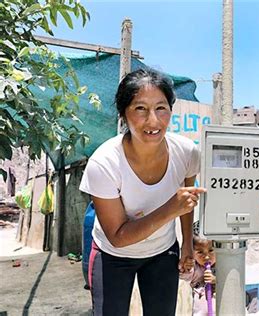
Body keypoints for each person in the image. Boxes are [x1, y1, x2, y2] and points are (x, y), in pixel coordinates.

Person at [79, 68, 206, 316]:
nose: (153, 121)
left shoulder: (187, 152)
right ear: (123, 114)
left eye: (161, 108)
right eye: (140, 109)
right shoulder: (104, 164)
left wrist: (188, 246)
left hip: (162, 252)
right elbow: (117, 236)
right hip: (112, 255)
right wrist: (171, 208)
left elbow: (186, 203)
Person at [180, 234, 217, 316]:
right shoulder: (195, 268)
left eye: (211, 250)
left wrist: (216, 280)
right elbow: (184, 276)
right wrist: (185, 267)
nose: (207, 257)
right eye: (200, 252)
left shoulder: (223, 265)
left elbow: (231, 283)